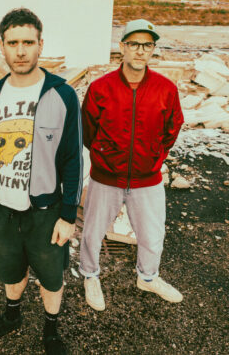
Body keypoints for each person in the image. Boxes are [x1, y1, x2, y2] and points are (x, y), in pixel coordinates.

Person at [0, 8, 82, 355]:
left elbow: (73, 159)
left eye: (28, 42)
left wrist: (68, 216)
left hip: (45, 211)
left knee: (51, 276)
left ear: (40, 45)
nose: (20, 51)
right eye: (12, 43)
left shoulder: (62, 94)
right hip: (3, 208)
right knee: (10, 271)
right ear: (2, 46)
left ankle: (51, 331)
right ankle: (12, 316)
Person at [79, 19, 184, 311]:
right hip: (105, 178)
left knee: (152, 234)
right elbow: (87, 130)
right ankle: (90, 275)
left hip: (147, 178)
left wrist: (155, 155)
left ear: (153, 49)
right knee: (92, 232)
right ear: (122, 47)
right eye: (134, 44)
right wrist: (104, 155)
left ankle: (148, 278)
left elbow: (172, 127)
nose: (140, 50)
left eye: (147, 45)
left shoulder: (165, 88)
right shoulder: (101, 88)